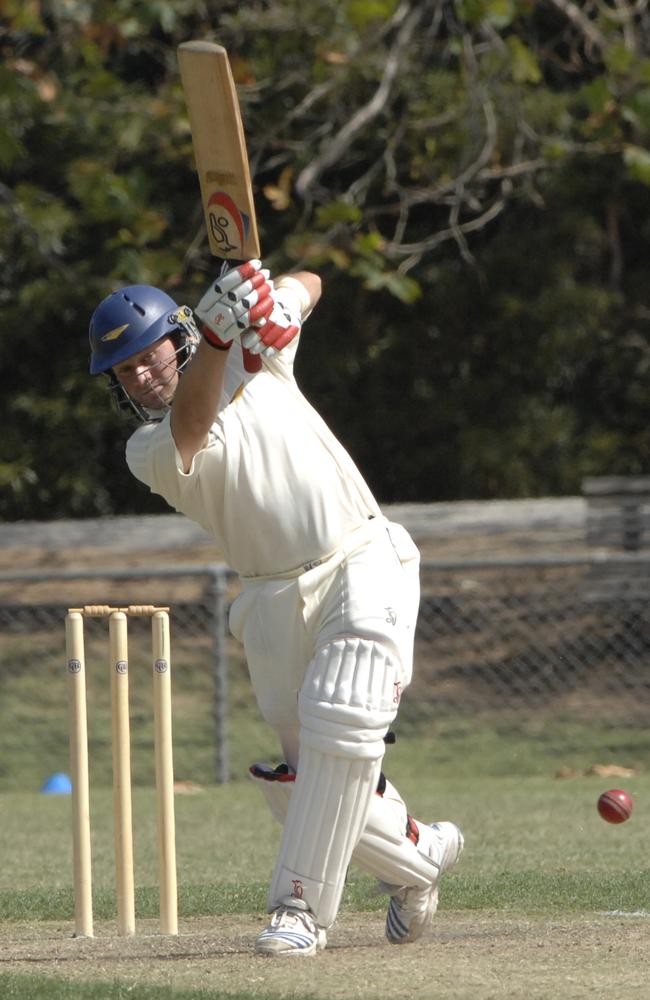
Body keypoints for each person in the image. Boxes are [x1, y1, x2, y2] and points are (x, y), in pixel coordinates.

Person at [88, 260, 463, 956]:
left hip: (359, 555)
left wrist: (274, 302)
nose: (141, 374)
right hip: (270, 597)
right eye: (125, 370)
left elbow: (313, 278)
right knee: (307, 779)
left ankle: (299, 912)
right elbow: (196, 421)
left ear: (176, 340)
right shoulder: (150, 450)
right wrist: (221, 337)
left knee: (343, 715)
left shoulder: (258, 355)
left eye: (148, 355)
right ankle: (420, 860)